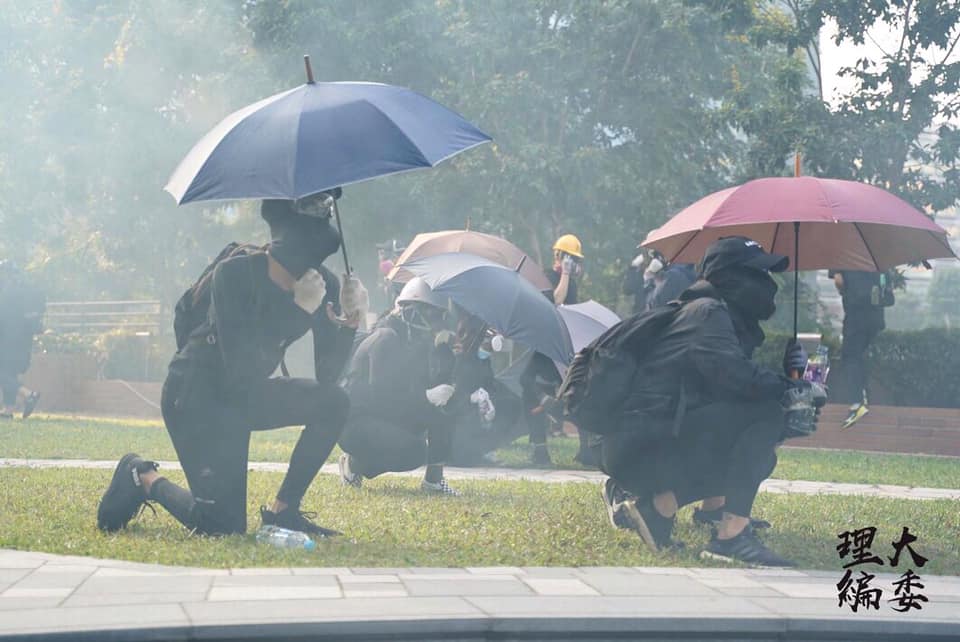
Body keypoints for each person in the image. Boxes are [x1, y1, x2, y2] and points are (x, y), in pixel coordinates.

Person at [96, 191, 367, 537]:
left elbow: (328, 377)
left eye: (326, 206)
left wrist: (348, 322)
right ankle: (142, 476)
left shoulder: (322, 282)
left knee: (334, 403)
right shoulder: (235, 274)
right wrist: (296, 310)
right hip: (196, 395)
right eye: (313, 206)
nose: (324, 215)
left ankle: (283, 511)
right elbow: (242, 370)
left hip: (241, 398)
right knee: (222, 527)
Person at [597, 236, 815, 567]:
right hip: (640, 447)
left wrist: (791, 377)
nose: (766, 284)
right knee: (767, 413)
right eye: (757, 275)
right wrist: (789, 388)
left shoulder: (713, 313)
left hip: (641, 442)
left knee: (762, 446)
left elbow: (729, 390)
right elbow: (739, 380)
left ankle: (657, 510)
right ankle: (731, 537)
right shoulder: (707, 314)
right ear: (730, 276)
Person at [338, 277, 498, 494]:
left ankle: (433, 482)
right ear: (411, 311)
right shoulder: (386, 339)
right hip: (358, 422)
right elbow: (383, 399)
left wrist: (468, 393)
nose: (437, 323)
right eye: (433, 315)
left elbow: (441, 390)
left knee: (441, 414)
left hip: (389, 413)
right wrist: (426, 397)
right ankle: (354, 464)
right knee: (413, 452)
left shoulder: (417, 343)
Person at [521, 233, 583, 465]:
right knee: (527, 383)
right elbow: (554, 301)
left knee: (569, 395)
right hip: (547, 343)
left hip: (563, 346)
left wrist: (568, 275)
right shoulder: (547, 276)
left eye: (574, 259)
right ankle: (540, 449)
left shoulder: (571, 281)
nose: (571, 262)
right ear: (558, 255)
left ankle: (549, 405)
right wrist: (563, 275)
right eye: (568, 257)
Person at [829, 270, 886, 429]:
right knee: (861, 355)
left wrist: (844, 290)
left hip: (856, 314)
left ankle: (856, 403)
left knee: (850, 356)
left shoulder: (843, 251)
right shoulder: (873, 253)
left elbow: (838, 281)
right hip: (876, 316)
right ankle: (865, 396)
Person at [0, 261, 44, 419]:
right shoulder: (23, 290)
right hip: (22, 341)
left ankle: (28, 394)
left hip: (7, 340)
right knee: (9, 373)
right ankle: (8, 409)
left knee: (3, 373)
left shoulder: (7, 292)